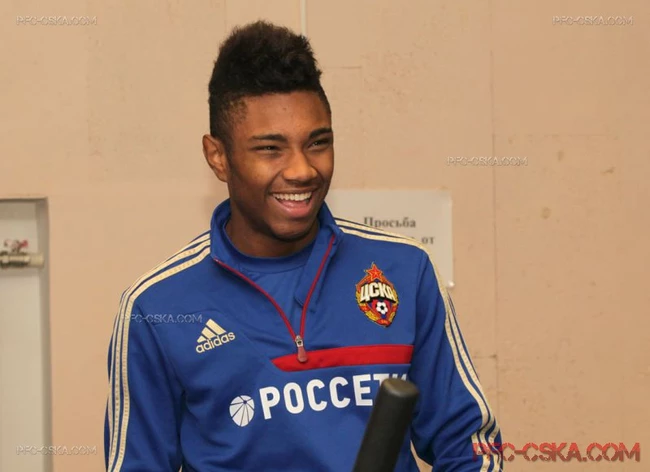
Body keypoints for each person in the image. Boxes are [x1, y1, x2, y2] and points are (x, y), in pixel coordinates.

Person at [104, 20, 503, 472]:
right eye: (270, 149)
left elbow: (470, 445)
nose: (302, 170)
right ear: (218, 156)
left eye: (318, 143)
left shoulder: (405, 270)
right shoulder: (156, 308)